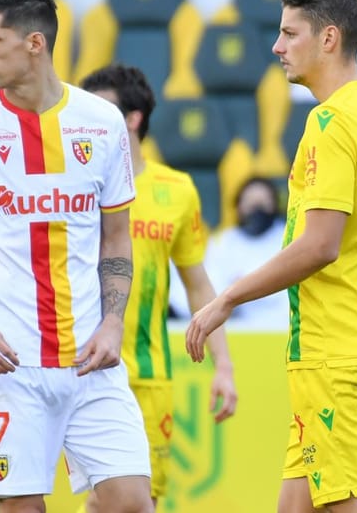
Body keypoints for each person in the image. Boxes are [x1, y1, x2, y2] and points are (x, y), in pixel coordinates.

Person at [185, 0, 357, 513]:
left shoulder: (328, 124)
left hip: (334, 359)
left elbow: (319, 246)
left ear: (328, 38)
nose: (277, 46)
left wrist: (227, 299)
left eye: (289, 33)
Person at [0, 0, 153, 513]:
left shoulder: (102, 121)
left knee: (132, 501)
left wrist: (113, 322)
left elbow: (117, 238)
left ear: (34, 43)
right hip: (9, 366)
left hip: (91, 361)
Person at [75, 63, 238, 510]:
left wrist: (223, 366)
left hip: (147, 375)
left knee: (137, 500)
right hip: (76, 368)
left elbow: (199, 285)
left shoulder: (177, 191)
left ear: (133, 119)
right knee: (103, 499)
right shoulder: (70, 184)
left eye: (101, 110)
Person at [170, 176, 289, 328]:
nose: (257, 209)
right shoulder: (223, 241)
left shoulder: (287, 237)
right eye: (251, 203)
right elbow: (210, 287)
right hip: (235, 329)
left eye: (263, 203)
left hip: (282, 326)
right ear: (238, 207)